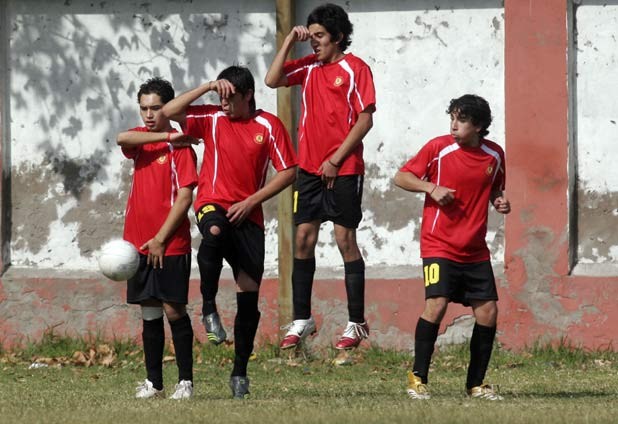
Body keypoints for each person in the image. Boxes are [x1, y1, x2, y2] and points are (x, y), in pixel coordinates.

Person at [162, 65, 297, 399]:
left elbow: (289, 171)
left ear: (248, 95)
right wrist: (209, 86)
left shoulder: (269, 125)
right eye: (220, 97)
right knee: (214, 231)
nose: (224, 103)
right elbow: (169, 111)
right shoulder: (212, 117)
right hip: (213, 203)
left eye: (230, 97)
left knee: (248, 295)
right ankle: (208, 307)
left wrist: (251, 201)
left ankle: (240, 373)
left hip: (248, 216)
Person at [265, 3, 376, 351]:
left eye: (320, 36)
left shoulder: (356, 68)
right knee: (302, 239)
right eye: (310, 36)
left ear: (337, 37)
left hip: (344, 168)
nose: (314, 42)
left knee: (345, 240)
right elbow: (272, 80)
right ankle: (302, 319)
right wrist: (288, 41)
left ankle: (356, 322)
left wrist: (335, 159)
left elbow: (365, 119)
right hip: (310, 169)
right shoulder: (309, 67)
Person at [394, 94, 511, 401]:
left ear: (479, 126)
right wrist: (430, 187)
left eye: (461, 120)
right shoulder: (438, 148)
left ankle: (476, 385)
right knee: (437, 304)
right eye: (452, 118)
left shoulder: (495, 155)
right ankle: (417, 379)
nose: (454, 125)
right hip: (439, 245)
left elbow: (494, 187)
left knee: (488, 312)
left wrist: (498, 200)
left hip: (475, 249)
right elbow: (401, 177)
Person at [116, 77, 198, 400]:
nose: (149, 114)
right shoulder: (142, 140)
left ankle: (185, 382)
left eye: (156, 108)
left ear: (169, 108)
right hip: (137, 243)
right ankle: (154, 383)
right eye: (144, 108)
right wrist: (165, 135)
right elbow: (121, 138)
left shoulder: (182, 148)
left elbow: (185, 197)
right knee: (148, 311)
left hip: (169, 244)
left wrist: (162, 238)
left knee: (173, 310)